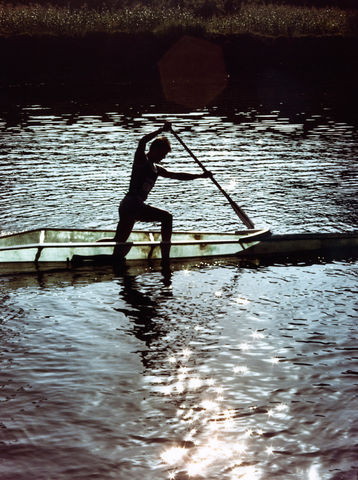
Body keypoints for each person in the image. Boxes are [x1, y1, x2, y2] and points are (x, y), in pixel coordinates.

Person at [113, 121, 211, 262]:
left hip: (129, 206)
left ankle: (90, 255)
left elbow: (177, 175)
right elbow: (142, 141)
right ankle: (166, 256)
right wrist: (161, 130)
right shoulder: (141, 160)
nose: (164, 157)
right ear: (155, 150)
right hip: (132, 204)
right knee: (167, 218)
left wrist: (201, 176)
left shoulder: (156, 169)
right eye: (163, 154)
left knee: (118, 241)